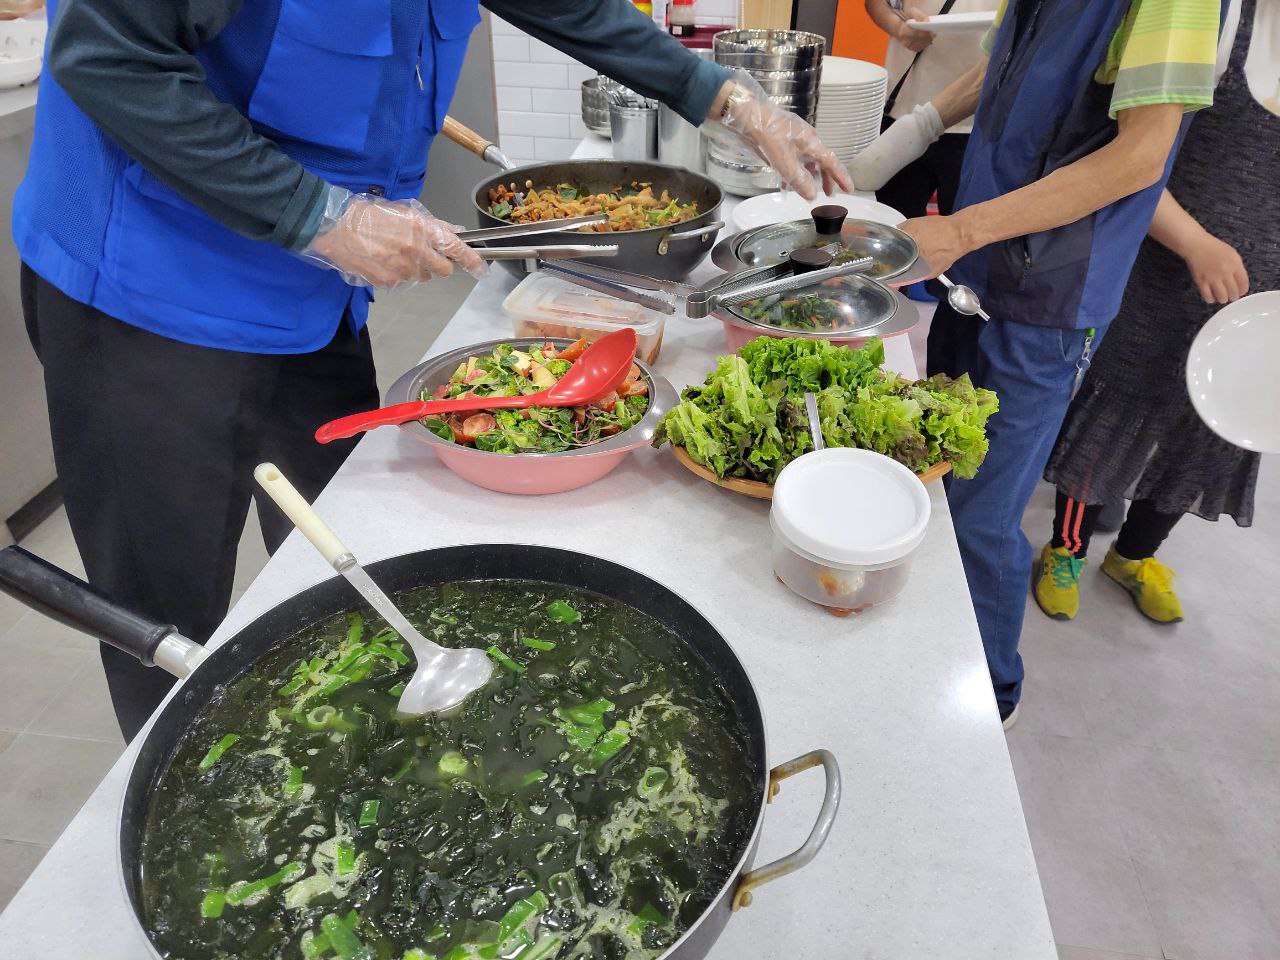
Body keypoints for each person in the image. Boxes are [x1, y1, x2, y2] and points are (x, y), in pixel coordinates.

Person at [16, 0, 850, 740]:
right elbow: (106, 58)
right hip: (146, 295)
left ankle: (353, 756)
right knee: (166, 617)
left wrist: (731, 100)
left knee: (347, 559)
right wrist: (318, 217)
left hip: (311, 296)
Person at [850, 0, 1224, 730]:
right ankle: (932, 647)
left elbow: (1142, 155)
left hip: (1054, 294)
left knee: (980, 512)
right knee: (932, 471)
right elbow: (997, 71)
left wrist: (960, 228)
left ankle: (992, 694)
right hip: (981, 266)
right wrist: (898, 144)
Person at [1035, 0, 1274, 626]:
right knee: (1118, 410)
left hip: (1262, 302)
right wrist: (1195, 242)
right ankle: (1067, 549)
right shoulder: (1219, 27)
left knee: (1213, 426)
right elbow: (1134, 159)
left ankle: (1137, 554)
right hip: (1166, 268)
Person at [862, 0, 997, 224]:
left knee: (961, 238)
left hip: (977, 123)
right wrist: (898, 27)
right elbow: (877, 3)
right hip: (902, 110)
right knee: (885, 228)